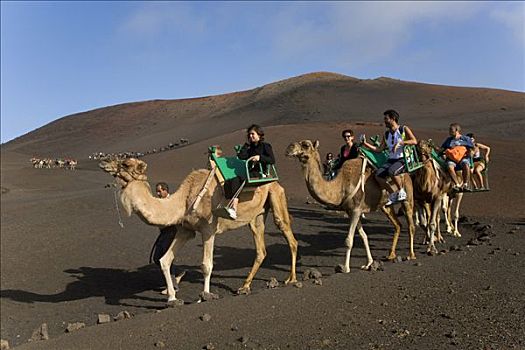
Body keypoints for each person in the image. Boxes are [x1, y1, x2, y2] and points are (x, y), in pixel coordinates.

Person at [361, 109, 417, 206]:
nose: (384, 121)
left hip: (403, 159)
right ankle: (393, 193)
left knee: (392, 171)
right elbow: (379, 149)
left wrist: (401, 143)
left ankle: (401, 191)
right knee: (378, 175)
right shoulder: (386, 134)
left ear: (393, 119)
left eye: (386, 119)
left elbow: (414, 141)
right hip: (391, 159)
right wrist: (365, 144)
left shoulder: (403, 129)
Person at [224, 124, 275, 219]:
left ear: (259, 135)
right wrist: (246, 145)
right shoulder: (250, 148)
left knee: (236, 180)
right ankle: (228, 205)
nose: (251, 136)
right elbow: (241, 156)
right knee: (228, 182)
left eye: (253, 134)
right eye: (249, 135)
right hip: (251, 173)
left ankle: (233, 208)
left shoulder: (265, 146)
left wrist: (260, 157)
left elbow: (272, 160)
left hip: (260, 173)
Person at [440, 123, 474, 191]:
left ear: (456, 130)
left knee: (465, 164)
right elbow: (442, 149)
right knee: (449, 166)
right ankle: (457, 184)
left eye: (451, 130)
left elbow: (471, 148)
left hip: (463, 157)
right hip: (452, 159)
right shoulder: (449, 140)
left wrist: (469, 153)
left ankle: (465, 184)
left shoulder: (465, 139)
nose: (449, 131)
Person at [150, 182, 177, 266]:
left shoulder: (172, 201)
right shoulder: (159, 201)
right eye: (157, 191)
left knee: (166, 257)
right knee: (156, 258)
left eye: (159, 191)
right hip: (163, 233)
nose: (158, 194)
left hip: (171, 232)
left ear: (165, 190)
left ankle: (172, 277)